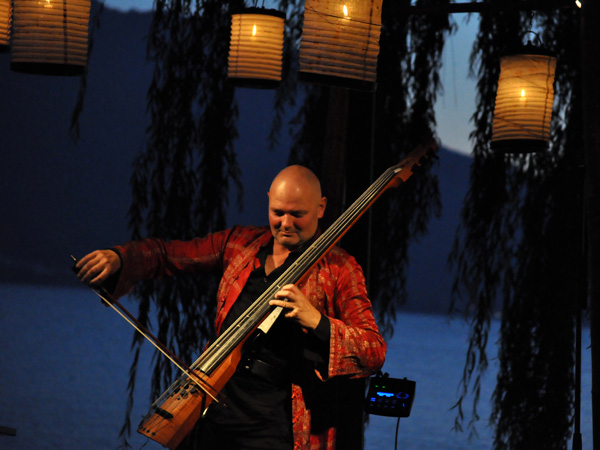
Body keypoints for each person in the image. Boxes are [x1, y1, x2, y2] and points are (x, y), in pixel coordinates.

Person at [75, 165, 386, 450]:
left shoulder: (341, 268)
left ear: (321, 208)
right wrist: (120, 257)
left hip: (278, 425)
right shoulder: (241, 243)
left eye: (297, 214)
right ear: (267, 201)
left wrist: (316, 320)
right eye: (278, 212)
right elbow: (170, 254)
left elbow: (373, 350)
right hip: (216, 406)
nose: (285, 224)